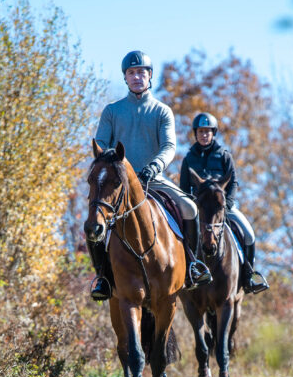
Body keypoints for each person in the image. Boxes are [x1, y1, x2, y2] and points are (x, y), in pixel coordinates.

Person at [87, 50, 211, 301]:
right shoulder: (112, 111)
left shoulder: (162, 111)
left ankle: (192, 266)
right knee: (94, 219)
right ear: (125, 78)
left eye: (141, 72)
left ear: (149, 76)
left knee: (190, 209)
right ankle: (102, 277)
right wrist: (113, 162)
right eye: (131, 73)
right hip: (118, 184)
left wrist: (154, 166)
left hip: (153, 179)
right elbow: (100, 144)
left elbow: (169, 146)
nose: (136, 77)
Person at [180, 112, 269, 294]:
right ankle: (184, 273)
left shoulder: (224, 156)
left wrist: (226, 205)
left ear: (213, 133)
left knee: (249, 235)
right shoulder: (188, 159)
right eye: (201, 131)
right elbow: (184, 188)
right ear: (195, 134)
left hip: (224, 208)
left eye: (207, 131)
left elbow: (233, 183)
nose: (204, 135)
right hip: (199, 212)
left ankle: (248, 277)